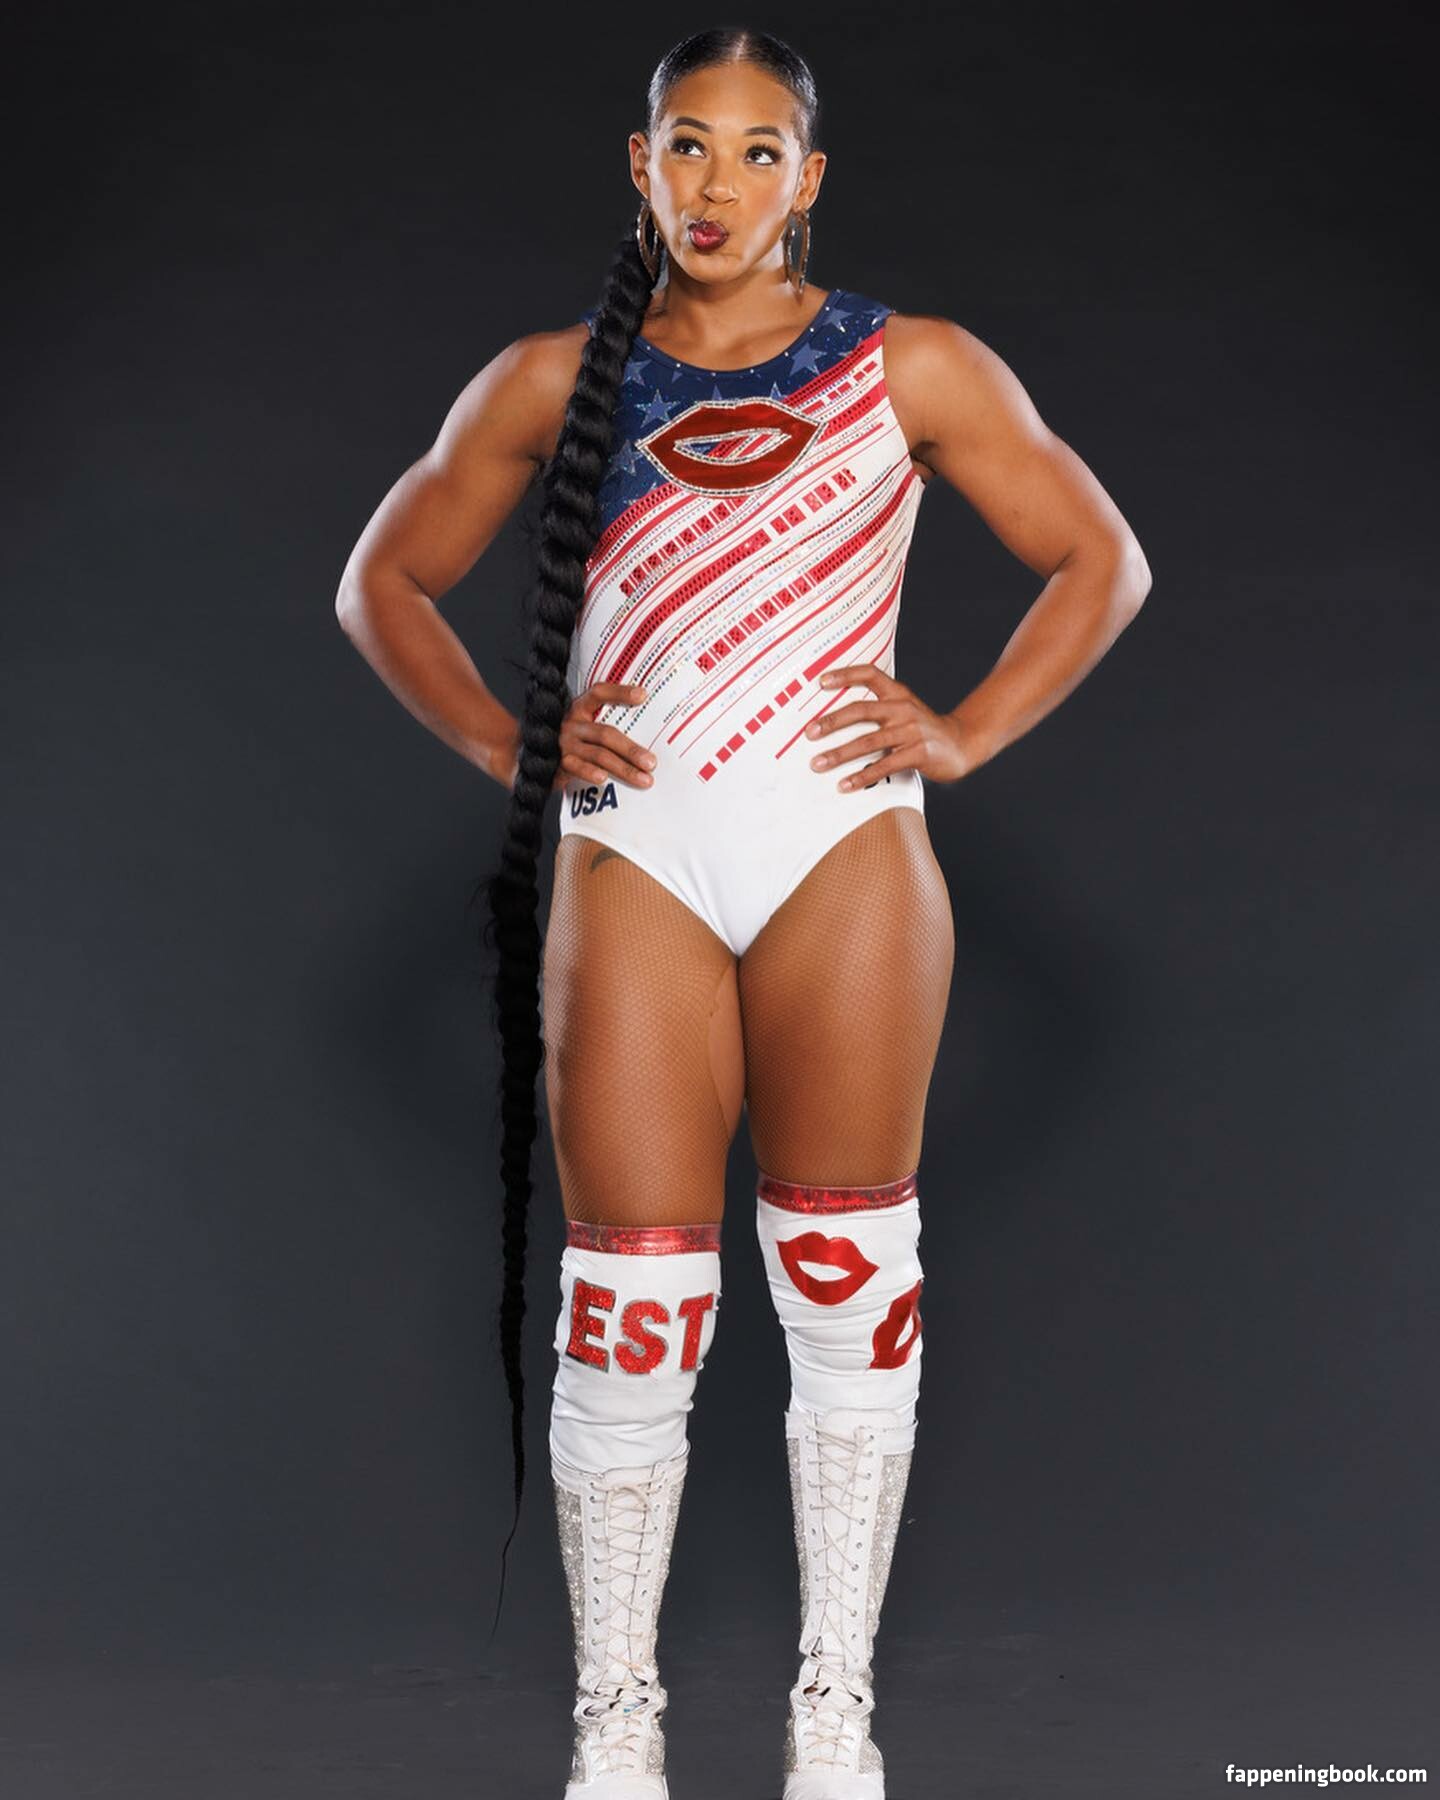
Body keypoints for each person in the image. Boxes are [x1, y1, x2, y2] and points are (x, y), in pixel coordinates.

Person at [336, 25, 1151, 1800]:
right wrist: (508, 741)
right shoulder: (553, 378)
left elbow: (1103, 556)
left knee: (850, 1288)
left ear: (810, 176)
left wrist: (965, 729)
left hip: (841, 850)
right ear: (640, 166)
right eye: (687, 147)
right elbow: (381, 578)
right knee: (629, 1308)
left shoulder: (911, 364)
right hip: (636, 854)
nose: (719, 185)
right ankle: (615, 1724)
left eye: (758, 149)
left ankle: (831, 1709)